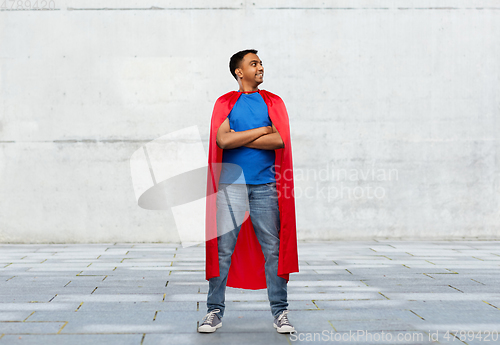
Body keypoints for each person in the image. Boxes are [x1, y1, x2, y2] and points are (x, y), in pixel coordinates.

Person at [198, 49, 299, 334]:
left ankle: (280, 312)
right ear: (238, 72)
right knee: (222, 251)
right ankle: (214, 311)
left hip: (266, 187)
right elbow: (222, 140)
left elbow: (279, 140)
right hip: (231, 187)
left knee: (274, 250)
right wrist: (261, 130)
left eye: (261, 63)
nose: (261, 67)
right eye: (253, 63)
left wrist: (240, 138)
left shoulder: (273, 102)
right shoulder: (226, 103)